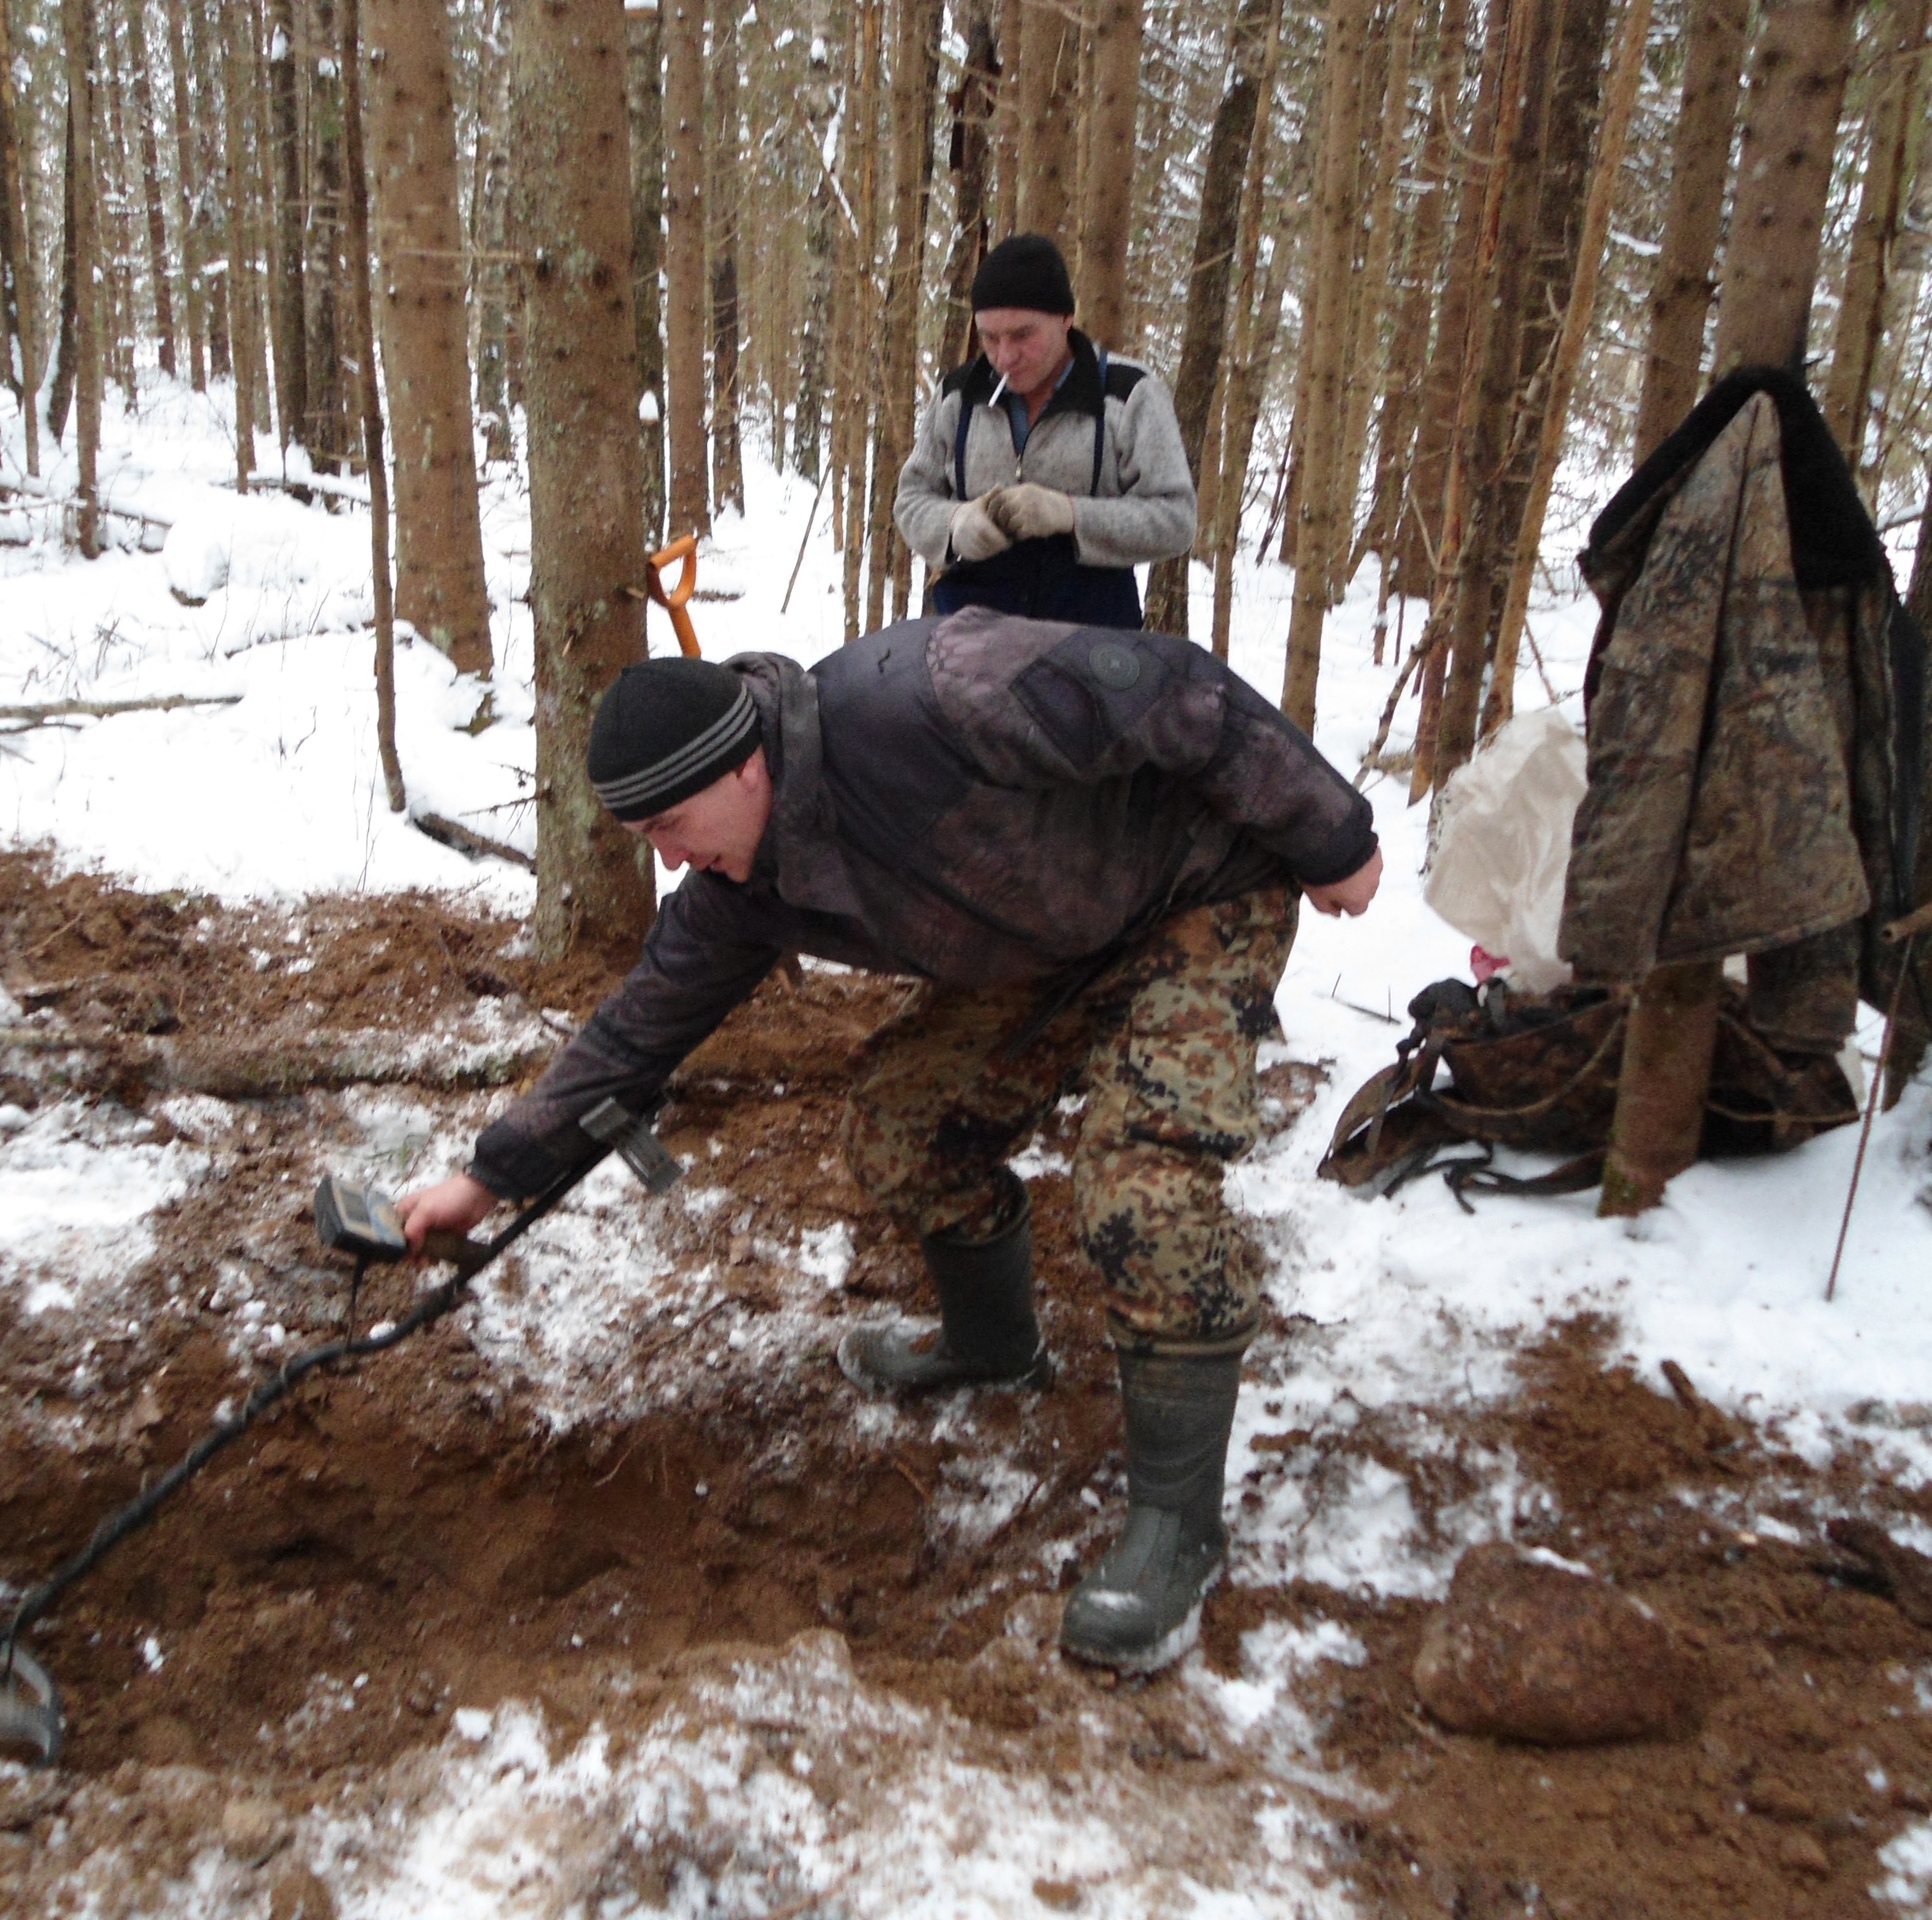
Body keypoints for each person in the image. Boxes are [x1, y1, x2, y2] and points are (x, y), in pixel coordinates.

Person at [397, 613, 1382, 1673]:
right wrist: (487, 1179)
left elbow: (1167, 688)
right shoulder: (743, 885)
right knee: (899, 1126)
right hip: (1044, 939)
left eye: (674, 825)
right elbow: (636, 1032)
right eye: (650, 844)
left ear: (741, 766)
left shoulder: (934, 696)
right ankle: (993, 1345)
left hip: (1196, 895)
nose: (674, 859)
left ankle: (1178, 1528)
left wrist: (1330, 835)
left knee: (1142, 1192)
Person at [893, 234, 1197, 631]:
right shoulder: (957, 396)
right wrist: (955, 524)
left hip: (1091, 645)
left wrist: (1070, 514)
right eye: (989, 337)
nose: (1004, 356)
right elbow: (911, 500)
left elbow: (1176, 518)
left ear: (1065, 319)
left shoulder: (1128, 394)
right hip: (970, 642)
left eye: (1022, 335)